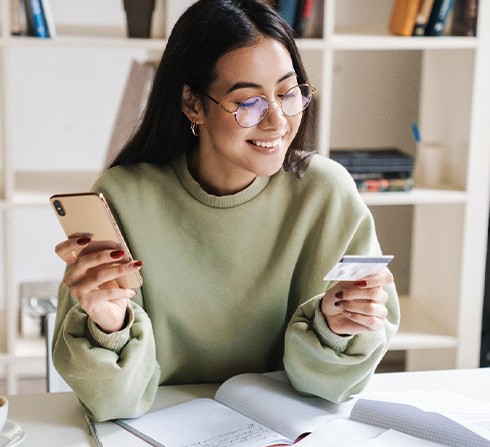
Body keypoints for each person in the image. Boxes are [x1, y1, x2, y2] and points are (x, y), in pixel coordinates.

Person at [53, 0, 400, 422]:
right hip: (153, 441)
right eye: (248, 102)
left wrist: (338, 328)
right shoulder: (124, 197)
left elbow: (329, 392)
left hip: (285, 437)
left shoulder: (326, 194)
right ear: (192, 104)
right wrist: (109, 325)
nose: (277, 121)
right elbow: (114, 403)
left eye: (288, 94)